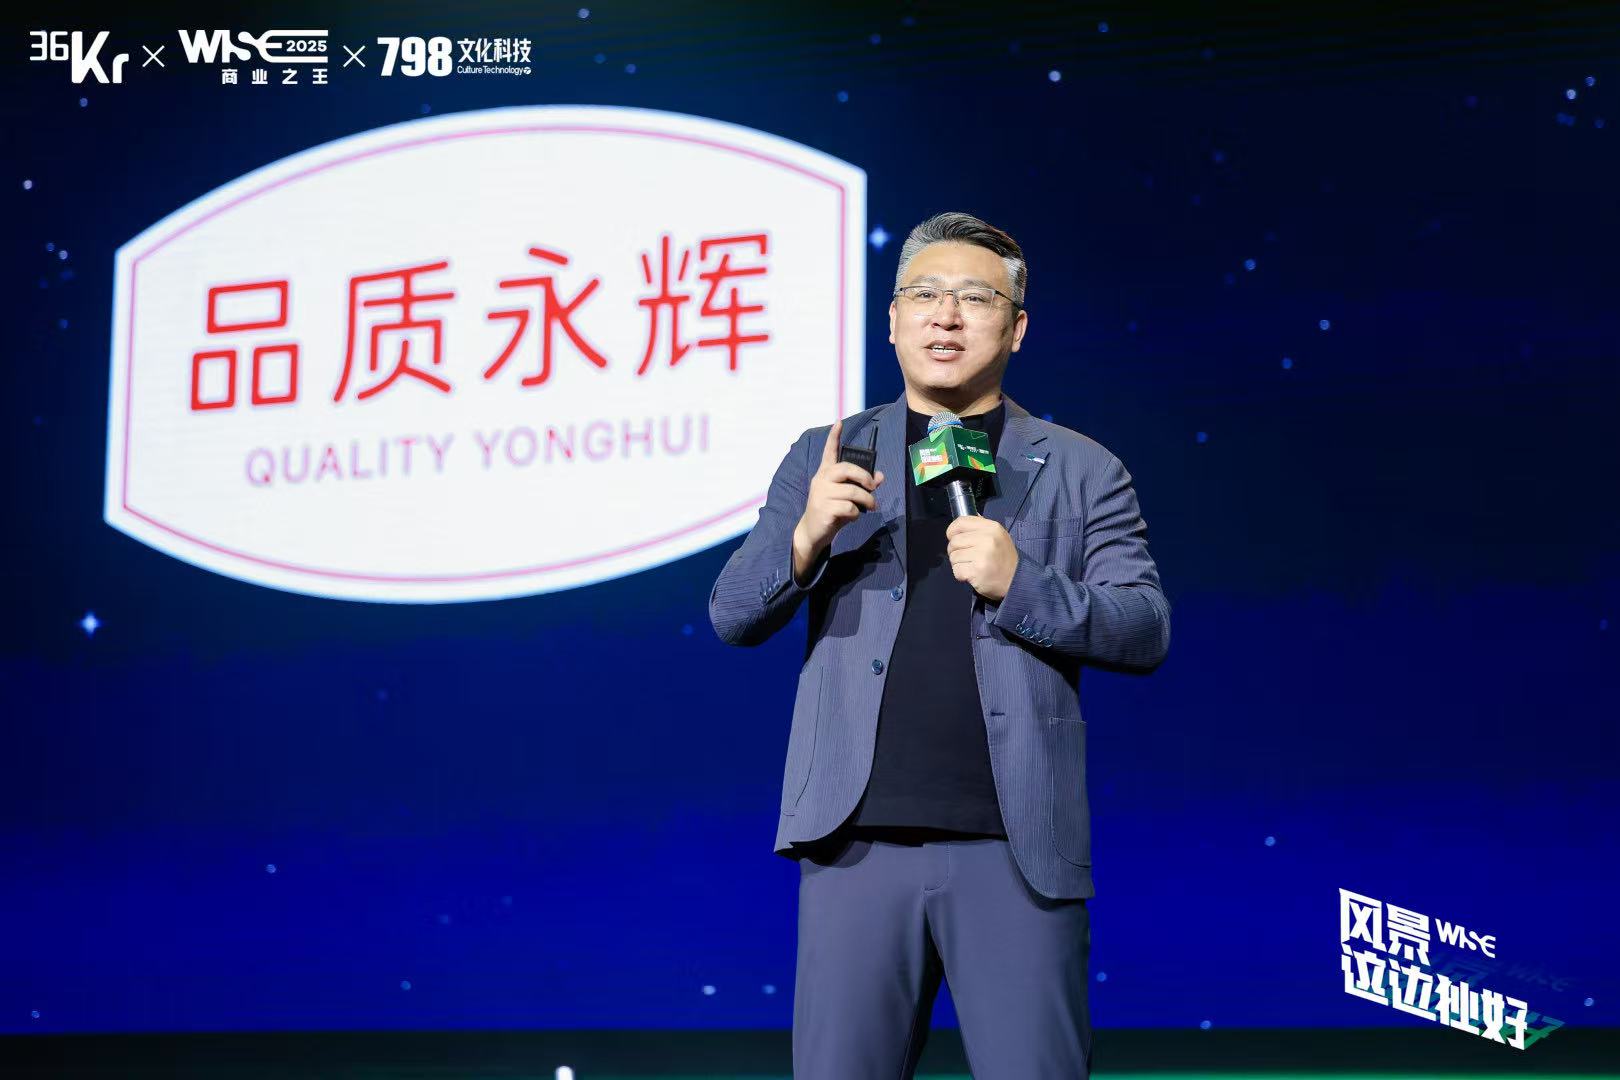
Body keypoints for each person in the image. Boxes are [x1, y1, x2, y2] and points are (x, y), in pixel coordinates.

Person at [708, 211, 1171, 1078]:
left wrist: (1020, 583)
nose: (946, 315)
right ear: (893, 320)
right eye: (924, 294)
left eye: (974, 298)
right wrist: (806, 537)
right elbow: (733, 613)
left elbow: (1144, 627)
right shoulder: (828, 454)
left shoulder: (1081, 468)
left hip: (1015, 846)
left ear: (1017, 328)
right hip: (853, 841)